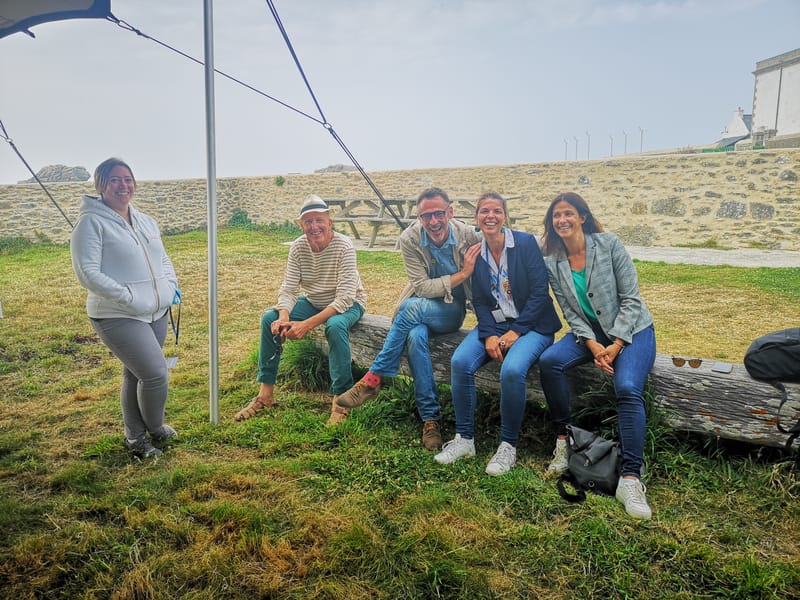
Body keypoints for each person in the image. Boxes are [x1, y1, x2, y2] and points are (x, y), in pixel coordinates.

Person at [333, 187, 482, 450]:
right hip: (421, 307)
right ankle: (430, 420)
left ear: (450, 212)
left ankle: (374, 378)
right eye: (426, 216)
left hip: (452, 310)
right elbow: (423, 288)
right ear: (419, 218)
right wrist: (463, 273)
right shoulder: (410, 238)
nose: (433, 222)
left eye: (439, 214)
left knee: (409, 309)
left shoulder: (468, 236)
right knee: (414, 335)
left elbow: (503, 238)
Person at [537, 192, 656, 519]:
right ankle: (564, 441)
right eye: (556, 216)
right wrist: (592, 346)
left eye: (567, 214)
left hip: (633, 330)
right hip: (589, 334)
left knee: (628, 387)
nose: (561, 220)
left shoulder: (609, 245)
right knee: (550, 362)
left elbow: (631, 299)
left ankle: (630, 477)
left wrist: (616, 345)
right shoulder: (552, 261)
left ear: (582, 217)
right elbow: (571, 313)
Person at [434, 193, 561, 475]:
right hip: (496, 324)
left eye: (496, 211)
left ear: (505, 216)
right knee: (460, 362)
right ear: (477, 218)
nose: (490, 216)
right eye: (484, 212)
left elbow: (541, 294)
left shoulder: (525, 244)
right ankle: (464, 439)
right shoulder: (475, 251)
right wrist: (490, 334)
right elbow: (479, 299)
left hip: (534, 325)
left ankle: (508, 446)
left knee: (512, 370)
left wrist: (516, 332)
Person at [71, 157, 180, 459]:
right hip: (116, 313)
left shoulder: (145, 220)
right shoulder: (90, 222)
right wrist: (128, 297)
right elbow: (87, 273)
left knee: (135, 374)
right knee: (156, 374)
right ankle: (155, 428)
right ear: (101, 184)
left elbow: (162, 258)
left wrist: (169, 287)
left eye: (128, 179)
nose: (124, 185)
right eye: (115, 179)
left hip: (155, 311)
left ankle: (136, 438)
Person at [234, 195, 367, 425]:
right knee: (269, 318)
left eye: (319, 220)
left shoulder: (344, 245)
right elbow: (289, 288)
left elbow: (345, 297)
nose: (314, 226)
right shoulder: (298, 247)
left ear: (329, 223)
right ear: (302, 225)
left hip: (350, 302)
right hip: (315, 300)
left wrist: (306, 324)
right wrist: (284, 317)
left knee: (335, 326)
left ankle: (341, 400)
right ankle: (265, 394)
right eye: (308, 222)